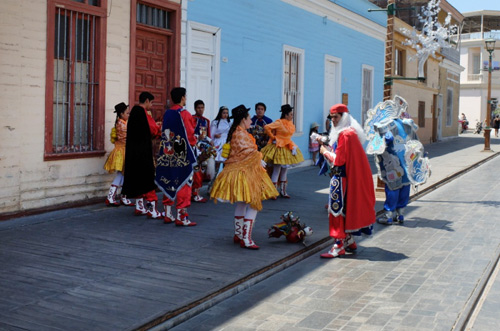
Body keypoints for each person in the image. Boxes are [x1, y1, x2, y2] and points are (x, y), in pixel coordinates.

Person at [210, 105, 279, 249]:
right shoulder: (240, 134)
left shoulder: (238, 132)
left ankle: (239, 234)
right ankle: (246, 238)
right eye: (248, 118)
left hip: (241, 172)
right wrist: (258, 157)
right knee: (254, 203)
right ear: (243, 119)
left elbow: (245, 152)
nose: (250, 121)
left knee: (242, 203)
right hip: (245, 173)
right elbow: (247, 153)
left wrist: (256, 157)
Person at [319, 104, 375, 258]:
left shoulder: (345, 134)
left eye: (336, 117)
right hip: (347, 178)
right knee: (344, 209)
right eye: (332, 117)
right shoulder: (351, 132)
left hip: (340, 178)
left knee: (336, 210)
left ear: (343, 117)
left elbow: (339, 160)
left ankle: (338, 245)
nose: (333, 121)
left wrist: (325, 152)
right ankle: (349, 240)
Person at [156, 87, 197, 227]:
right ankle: (182, 216)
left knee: (169, 179)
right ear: (182, 98)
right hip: (182, 151)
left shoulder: (167, 113)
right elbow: (190, 135)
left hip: (167, 151)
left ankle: (168, 213)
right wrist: (194, 144)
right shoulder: (184, 114)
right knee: (184, 182)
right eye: (185, 96)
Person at [121, 92, 162, 219]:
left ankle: (139, 207)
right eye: (151, 102)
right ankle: (152, 210)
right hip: (143, 151)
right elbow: (153, 129)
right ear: (147, 100)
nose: (152, 105)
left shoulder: (133, 113)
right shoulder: (143, 113)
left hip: (133, 151)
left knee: (137, 179)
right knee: (147, 179)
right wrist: (159, 127)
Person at [261, 104, 304, 198]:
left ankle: (283, 191)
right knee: (277, 170)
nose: (292, 116)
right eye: (291, 114)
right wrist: (273, 137)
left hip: (288, 147)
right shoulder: (279, 122)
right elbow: (267, 127)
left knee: (284, 170)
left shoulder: (291, 124)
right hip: (279, 147)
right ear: (286, 115)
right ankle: (273, 192)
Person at [104, 102, 134, 207]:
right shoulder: (122, 124)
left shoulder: (121, 122)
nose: (128, 115)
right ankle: (114, 197)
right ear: (121, 114)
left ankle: (118, 196)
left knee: (123, 174)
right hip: (122, 151)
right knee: (122, 174)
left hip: (121, 150)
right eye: (127, 113)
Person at [191, 100, 211, 203]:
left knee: (202, 170)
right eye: (198, 108)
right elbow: (189, 133)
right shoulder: (191, 119)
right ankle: (194, 193)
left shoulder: (206, 121)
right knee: (195, 171)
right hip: (194, 148)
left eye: (202, 107)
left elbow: (208, 135)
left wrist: (211, 142)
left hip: (203, 149)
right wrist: (197, 138)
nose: (201, 110)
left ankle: (196, 192)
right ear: (195, 108)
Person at [210, 106, 232, 176]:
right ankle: (213, 180)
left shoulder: (229, 123)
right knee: (217, 162)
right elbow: (211, 133)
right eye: (224, 113)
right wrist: (215, 135)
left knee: (226, 163)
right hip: (218, 143)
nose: (225, 114)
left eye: (227, 113)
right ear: (220, 113)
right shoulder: (215, 122)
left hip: (226, 144)